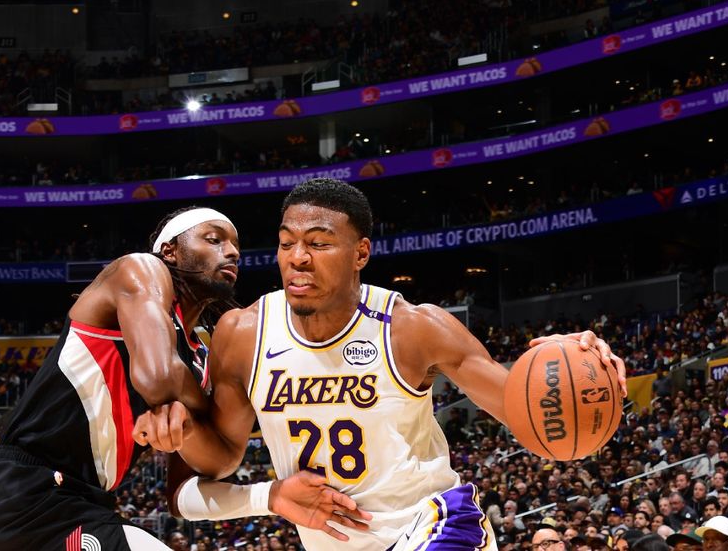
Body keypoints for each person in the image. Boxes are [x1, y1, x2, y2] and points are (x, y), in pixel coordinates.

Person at [138, 179, 628, 550]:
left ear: (361, 253)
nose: (298, 259)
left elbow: (526, 413)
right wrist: (177, 427)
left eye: (319, 243)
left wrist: (577, 369)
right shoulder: (244, 334)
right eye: (287, 243)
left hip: (435, 524)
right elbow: (221, 458)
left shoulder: (414, 328)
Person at [0, 206, 368, 551]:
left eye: (235, 246)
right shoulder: (139, 269)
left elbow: (219, 462)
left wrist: (188, 423)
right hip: (22, 491)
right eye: (213, 239)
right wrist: (197, 416)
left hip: (85, 502)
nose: (230, 252)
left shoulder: (201, 358)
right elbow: (156, 377)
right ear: (170, 250)